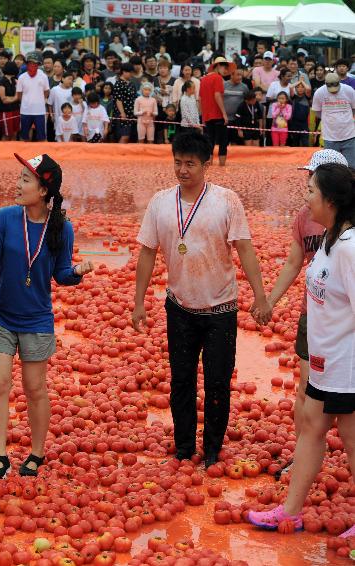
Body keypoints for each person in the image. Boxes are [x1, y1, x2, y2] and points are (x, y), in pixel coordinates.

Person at [133, 131, 271, 468]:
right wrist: (139, 301)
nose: (182, 170)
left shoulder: (226, 201)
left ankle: (211, 450)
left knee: (217, 382)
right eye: (178, 162)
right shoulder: (160, 202)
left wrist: (261, 295)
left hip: (220, 310)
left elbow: (245, 249)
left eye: (190, 164)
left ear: (205, 164)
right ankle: (183, 448)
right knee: (180, 380)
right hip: (179, 307)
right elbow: (147, 253)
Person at [247, 164, 355, 534]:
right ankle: (290, 510)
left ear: (332, 200)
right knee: (310, 428)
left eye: (311, 191)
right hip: (325, 363)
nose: (305, 197)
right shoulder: (328, 240)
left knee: (353, 443)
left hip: (347, 367)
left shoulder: (350, 249)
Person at [0, 153, 93, 480]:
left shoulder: (62, 228)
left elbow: (61, 275)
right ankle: (0, 454)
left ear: (43, 190)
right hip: (2, 316)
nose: (17, 184)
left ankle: (37, 452)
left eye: (25, 179)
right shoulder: (4, 219)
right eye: (19, 178)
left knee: (35, 388)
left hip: (37, 320)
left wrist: (77, 272)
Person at [266, 149, 349, 480]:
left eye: (314, 181)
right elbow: (293, 262)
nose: (307, 186)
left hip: (344, 322)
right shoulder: (304, 217)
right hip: (312, 316)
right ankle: (305, 459)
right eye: (309, 179)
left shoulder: (350, 230)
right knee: (307, 389)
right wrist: (269, 300)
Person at [312, 73, 355, 166]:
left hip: (349, 135)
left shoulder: (349, 90)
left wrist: (345, 119)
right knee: (332, 167)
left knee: (351, 166)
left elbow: (354, 108)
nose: (333, 91)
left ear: (339, 82)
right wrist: (328, 119)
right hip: (330, 137)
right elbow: (317, 111)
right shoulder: (319, 92)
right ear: (325, 83)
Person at [199, 57, 229, 166]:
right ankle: (222, 166)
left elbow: (200, 98)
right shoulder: (218, 78)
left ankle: (209, 165)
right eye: (224, 67)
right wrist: (224, 114)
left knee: (209, 142)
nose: (225, 70)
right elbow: (217, 95)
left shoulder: (203, 79)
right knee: (223, 141)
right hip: (217, 114)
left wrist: (202, 116)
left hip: (207, 115)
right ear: (218, 66)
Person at [17, 53, 50, 142]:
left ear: (38, 64)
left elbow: (46, 91)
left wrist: (40, 101)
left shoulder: (43, 76)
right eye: (30, 63)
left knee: (42, 137)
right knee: (24, 137)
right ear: (27, 64)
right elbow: (19, 93)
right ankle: (23, 154)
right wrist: (25, 103)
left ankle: (43, 154)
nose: (32, 65)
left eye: (35, 63)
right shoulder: (22, 77)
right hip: (25, 111)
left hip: (39, 111)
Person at [113, 63, 138, 144]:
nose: (131, 74)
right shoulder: (118, 84)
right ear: (124, 72)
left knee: (130, 136)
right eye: (130, 72)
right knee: (124, 136)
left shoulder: (132, 84)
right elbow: (118, 100)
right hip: (123, 114)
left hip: (132, 113)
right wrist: (122, 113)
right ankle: (118, 155)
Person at [0, 62, 20, 141]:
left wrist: (13, 98)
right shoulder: (1, 81)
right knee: (7, 134)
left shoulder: (15, 81)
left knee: (15, 133)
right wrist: (16, 98)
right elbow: (4, 99)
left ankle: (12, 151)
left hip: (15, 109)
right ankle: (3, 152)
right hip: (5, 111)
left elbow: (18, 96)